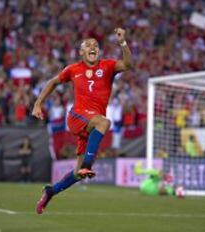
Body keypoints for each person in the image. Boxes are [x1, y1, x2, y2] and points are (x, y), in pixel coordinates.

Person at [32, 28, 133, 214]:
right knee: (104, 123)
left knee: (78, 173)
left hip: (91, 125)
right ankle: (87, 165)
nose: (92, 47)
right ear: (81, 52)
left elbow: (127, 64)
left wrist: (123, 43)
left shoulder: (107, 66)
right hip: (77, 117)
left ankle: (50, 192)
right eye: (88, 45)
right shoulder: (73, 69)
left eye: (96, 45)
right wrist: (38, 104)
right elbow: (53, 82)